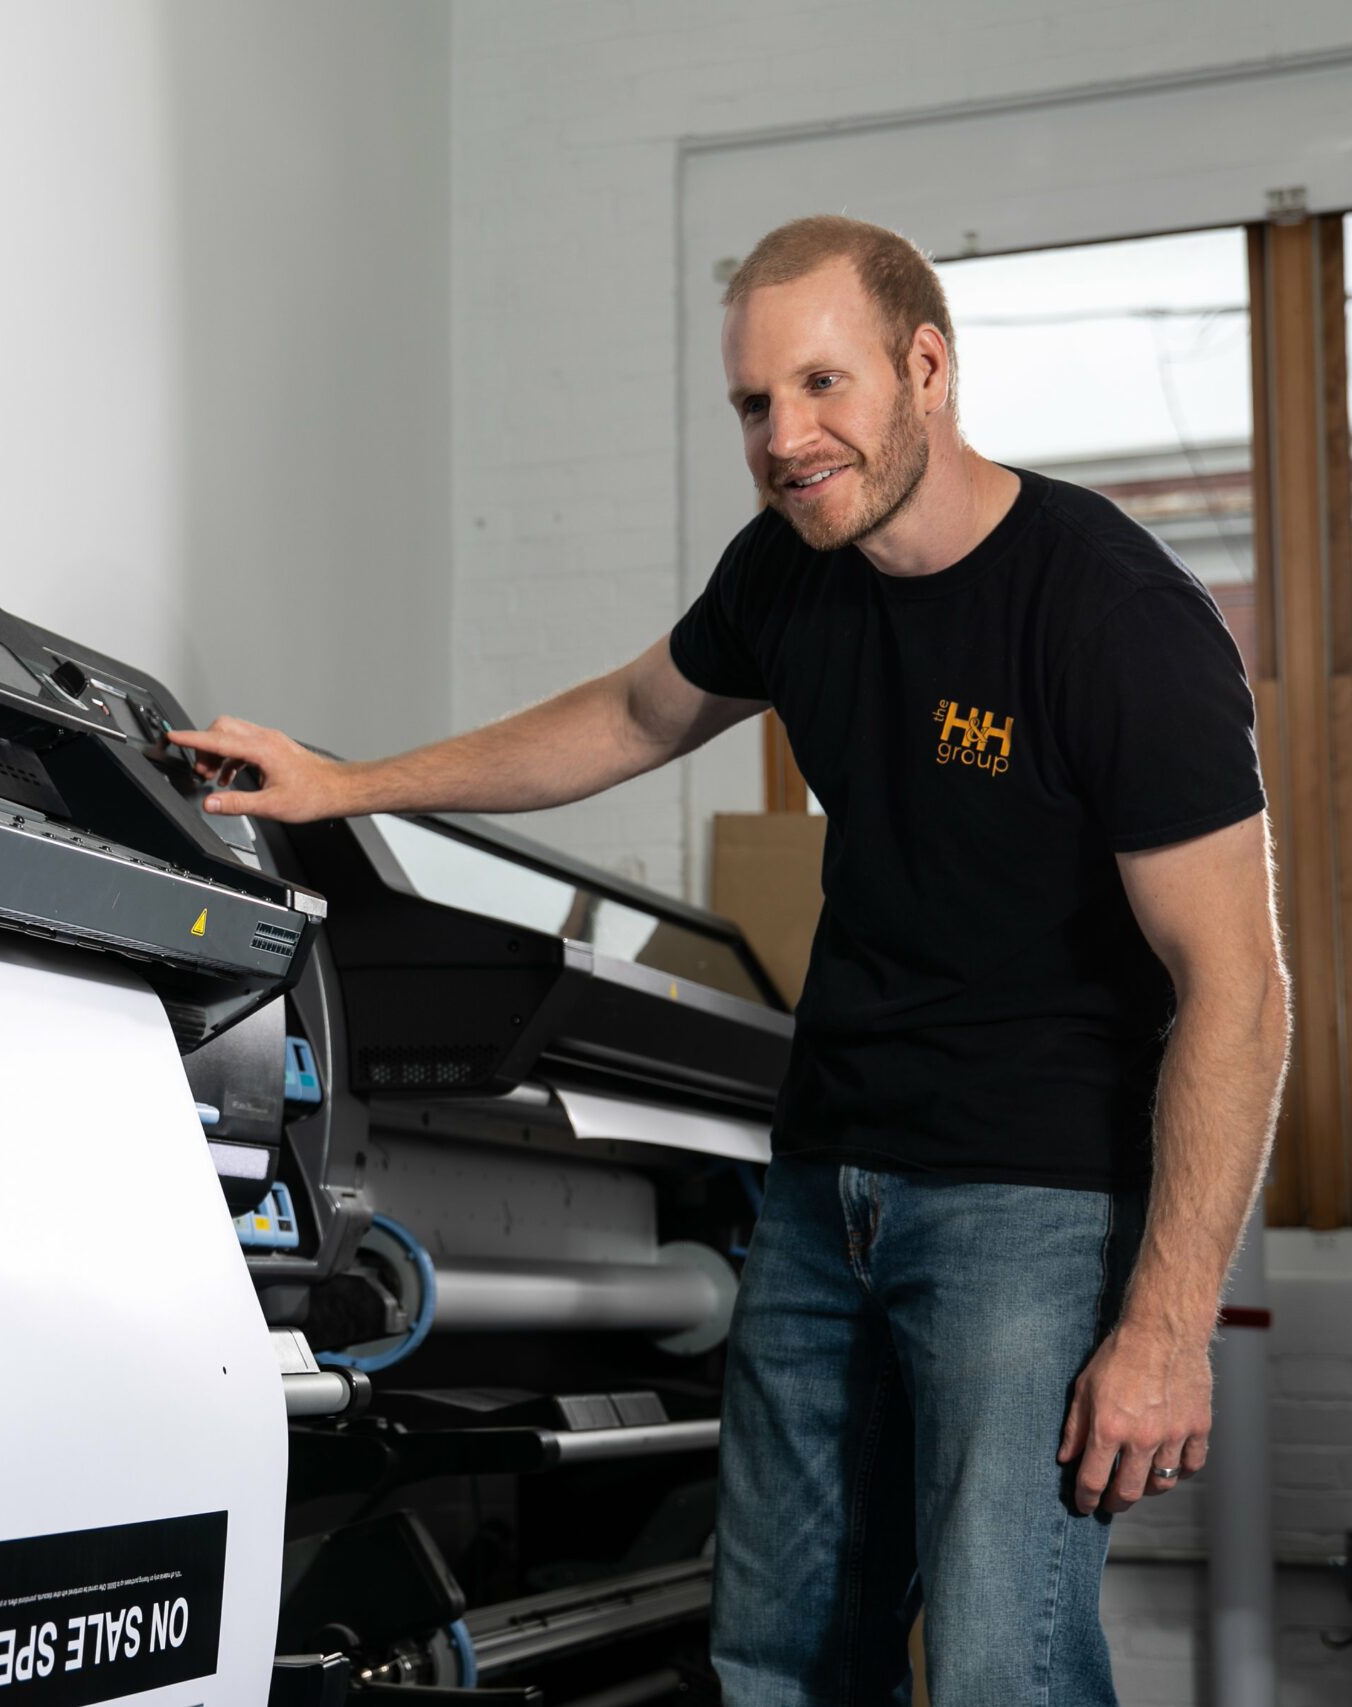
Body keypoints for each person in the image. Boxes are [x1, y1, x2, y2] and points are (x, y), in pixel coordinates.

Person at [174, 215, 1288, 1705]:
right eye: (755, 403)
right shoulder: (788, 573)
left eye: (824, 386)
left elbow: (1240, 986)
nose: (787, 436)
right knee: (774, 1655)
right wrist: (345, 781)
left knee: (996, 1664)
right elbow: (634, 714)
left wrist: (1164, 1322)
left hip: (1031, 1206)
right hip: (826, 1189)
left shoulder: (1109, 613)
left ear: (929, 367)